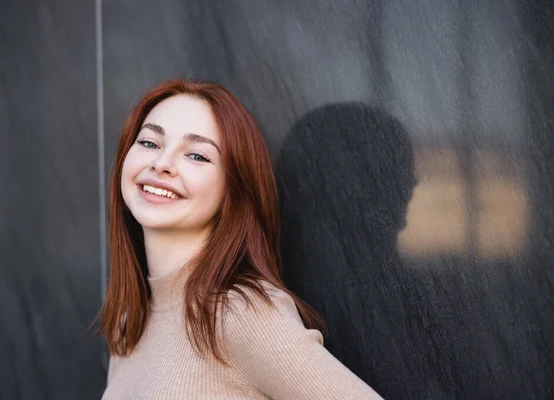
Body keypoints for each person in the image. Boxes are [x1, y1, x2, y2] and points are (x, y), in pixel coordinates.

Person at [96, 79, 383, 399]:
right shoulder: (128, 323)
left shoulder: (241, 312)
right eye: (150, 142)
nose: (161, 164)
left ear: (232, 189)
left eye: (196, 155)